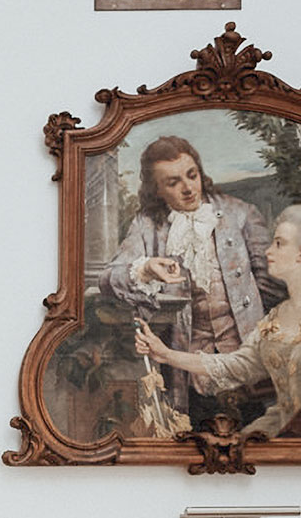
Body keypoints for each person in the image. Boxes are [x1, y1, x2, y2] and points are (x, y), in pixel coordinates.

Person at [101, 135, 282, 431]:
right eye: (172, 182)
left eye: (191, 175)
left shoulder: (240, 214)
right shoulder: (147, 225)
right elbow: (108, 278)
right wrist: (145, 268)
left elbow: (272, 284)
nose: (187, 188)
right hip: (186, 366)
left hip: (246, 362)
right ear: (156, 190)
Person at [136, 202, 301, 437]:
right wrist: (165, 354)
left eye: (279, 244)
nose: (268, 251)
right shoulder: (277, 316)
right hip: (282, 430)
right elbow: (236, 365)